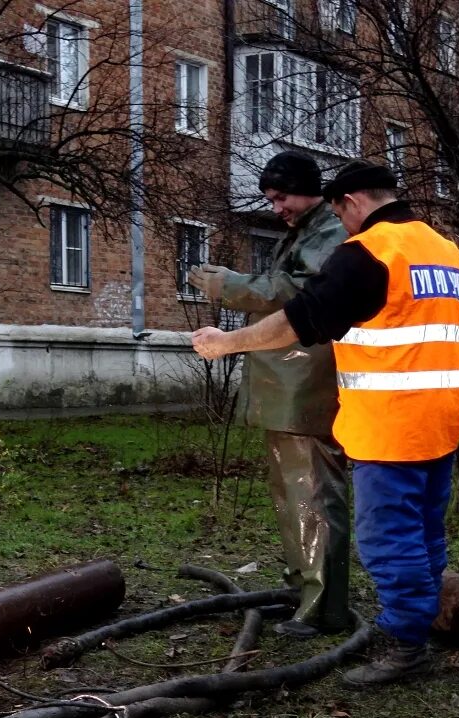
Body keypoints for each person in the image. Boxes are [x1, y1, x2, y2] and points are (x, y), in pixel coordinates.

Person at [190, 160, 459, 686]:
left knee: (390, 540)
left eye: (340, 214)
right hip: (441, 419)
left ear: (351, 202)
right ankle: (422, 625)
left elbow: (299, 319)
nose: (340, 226)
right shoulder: (442, 249)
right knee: (427, 533)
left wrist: (226, 342)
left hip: (390, 426)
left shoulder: (369, 253)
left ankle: (405, 646)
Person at [187, 151, 351, 638]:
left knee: (312, 494)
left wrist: (232, 286)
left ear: (307, 189)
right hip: (291, 384)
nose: (277, 207)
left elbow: (295, 293)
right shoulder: (310, 230)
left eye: (282, 197)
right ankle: (306, 589)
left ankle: (322, 605)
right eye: (271, 199)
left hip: (307, 385)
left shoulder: (329, 232)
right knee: (294, 492)